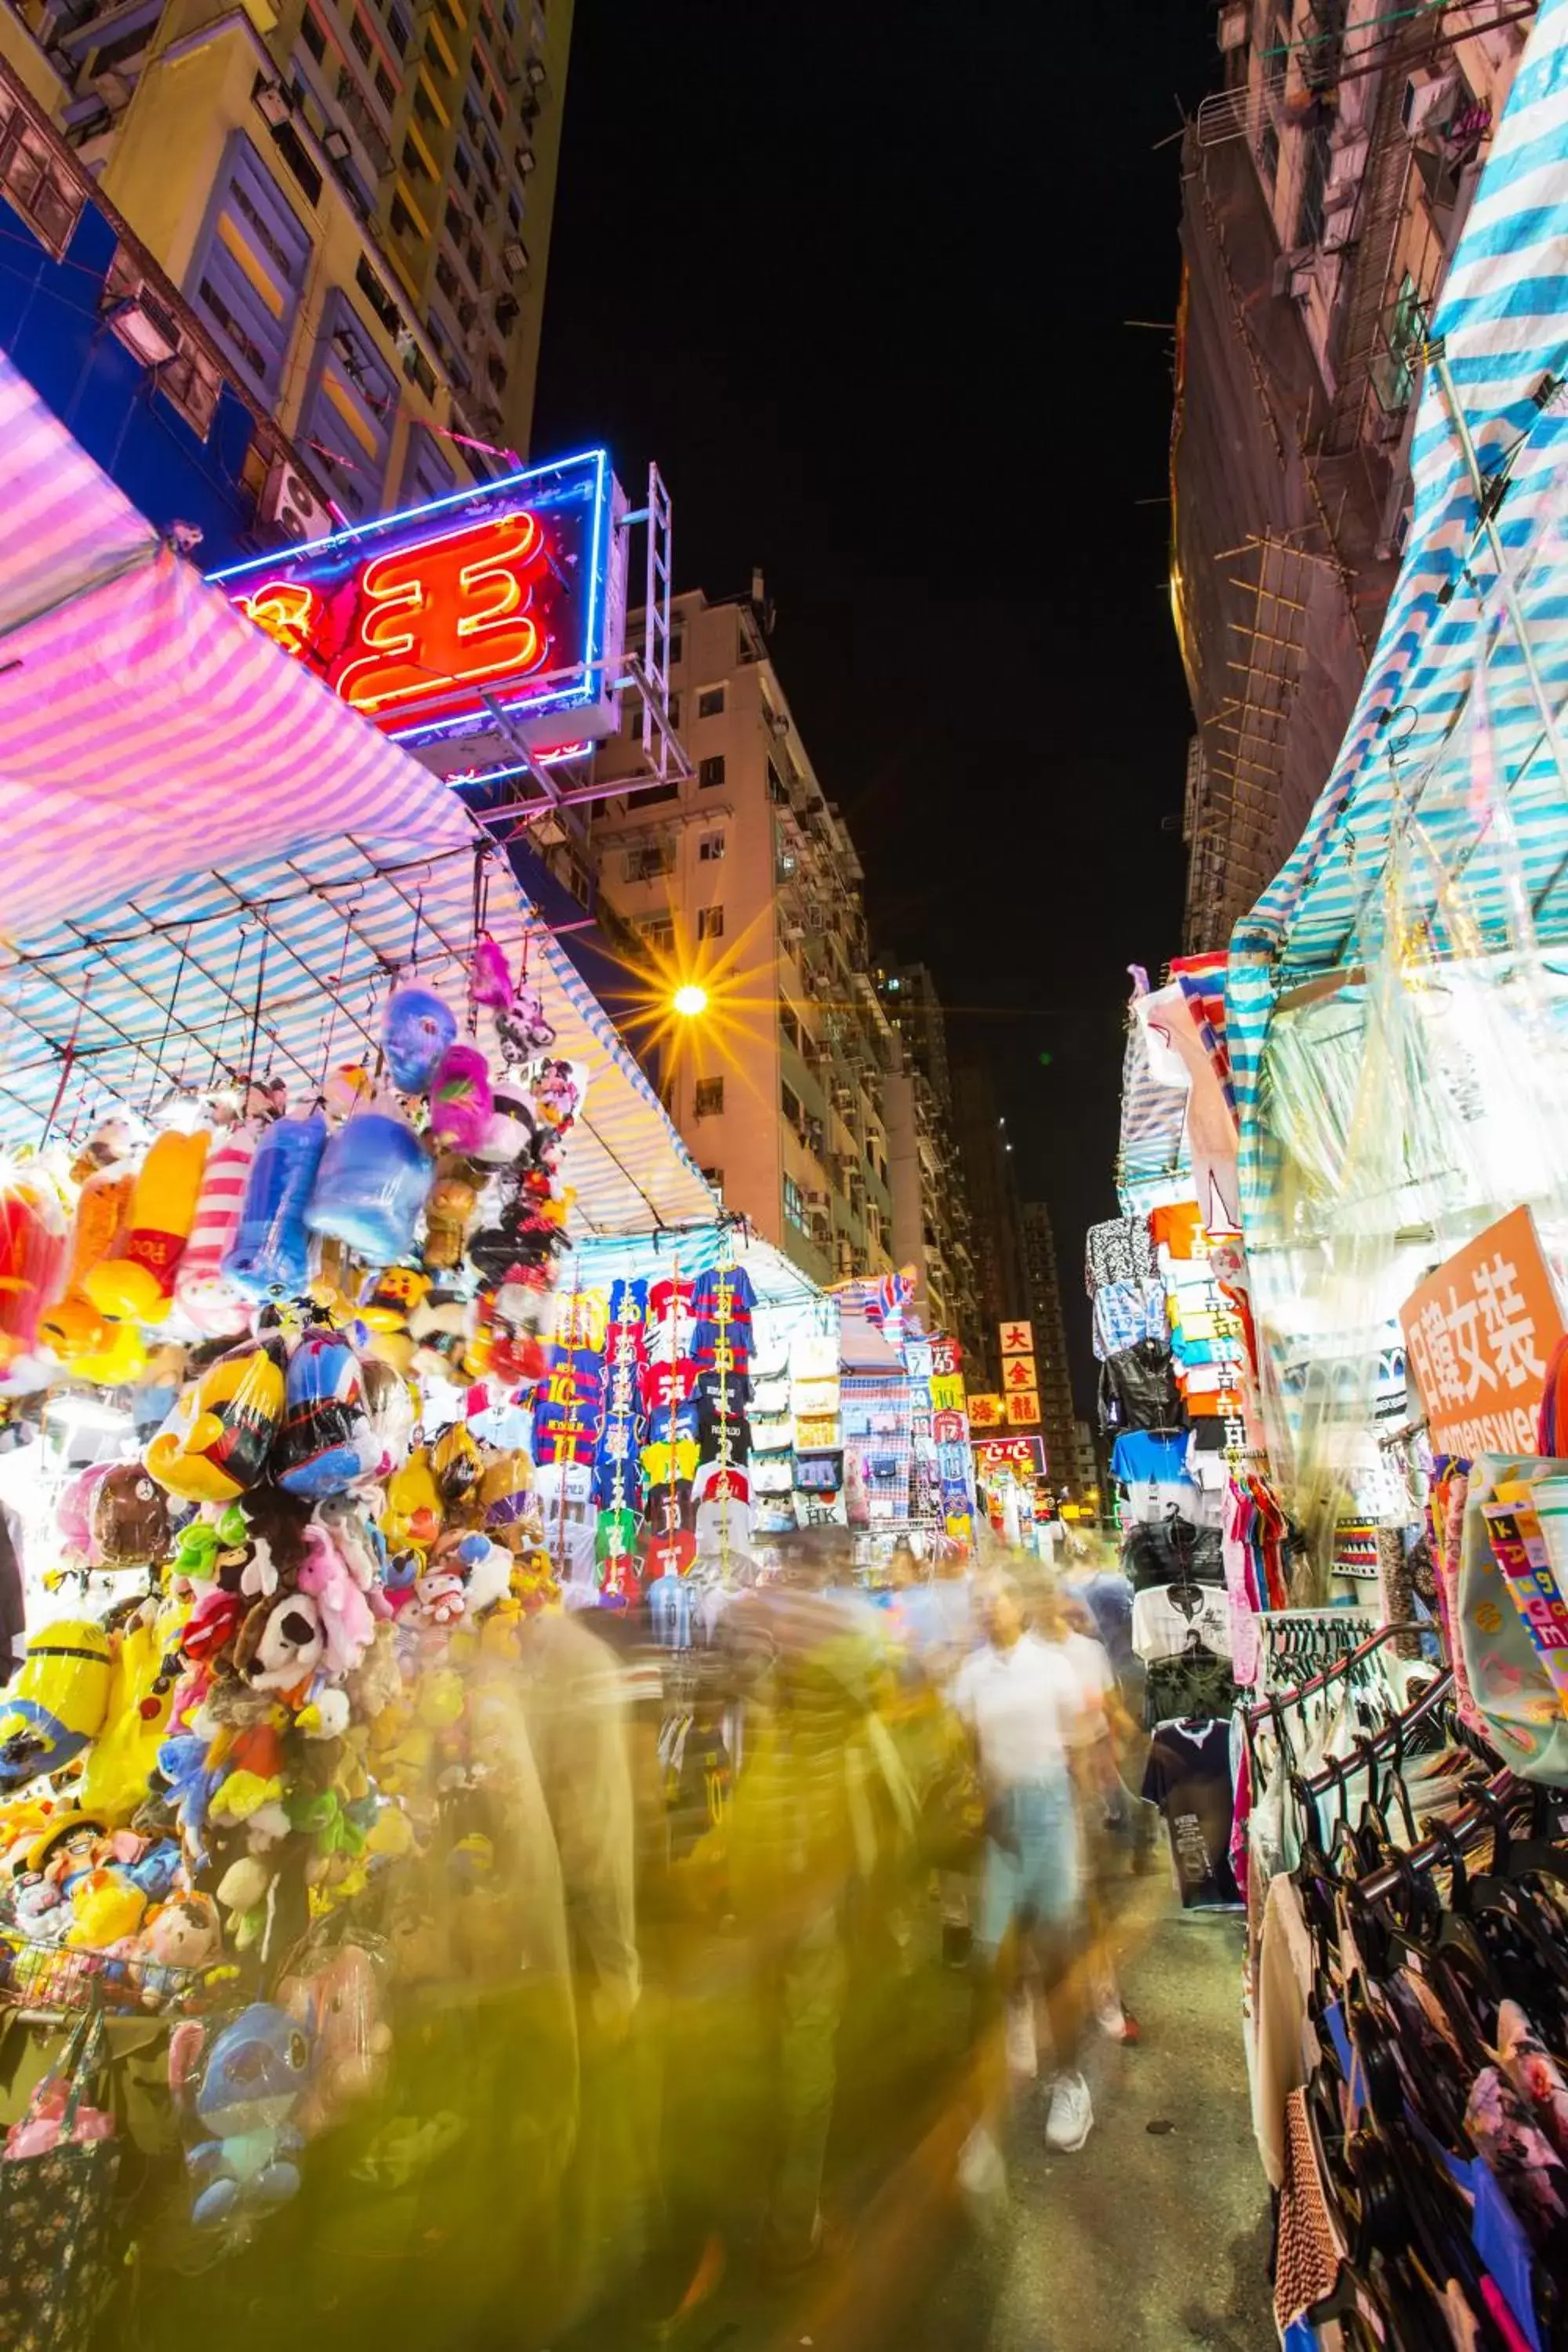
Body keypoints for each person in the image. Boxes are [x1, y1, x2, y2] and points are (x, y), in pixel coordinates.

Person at [953, 1571, 1094, 2156]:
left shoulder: (1052, 1666)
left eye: (997, 1598)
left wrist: (1077, 1826)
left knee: (1055, 1951)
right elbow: (965, 1743)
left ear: (1018, 1605)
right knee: (993, 1956)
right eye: (979, 1601)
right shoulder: (971, 1675)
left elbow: (1080, 1742)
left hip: (1051, 1809)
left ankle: (1072, 2081)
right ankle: (1012, 2035)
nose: (988, 1608)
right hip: (1000, 1821)